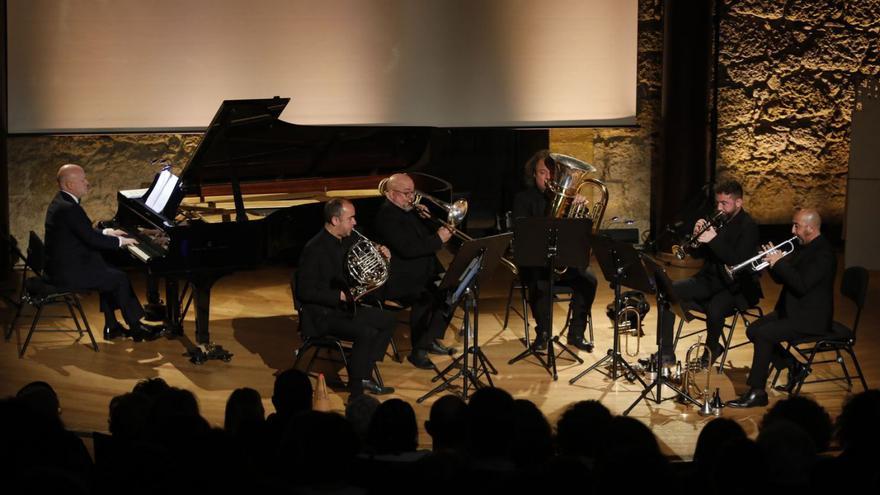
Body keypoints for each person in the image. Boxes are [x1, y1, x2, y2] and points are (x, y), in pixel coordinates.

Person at [727, 208, 836, 408]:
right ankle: (794, 366)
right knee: (753, 329)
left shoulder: (824, 254)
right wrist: (771, 262)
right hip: (792, 310)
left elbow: (802, 285)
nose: (792, 230)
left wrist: (780, 263)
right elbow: (783, 279)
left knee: (764, 335)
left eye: (797, 225)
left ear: (810, 228)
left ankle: (757, 391)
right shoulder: (803, 246)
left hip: (811, 317)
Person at [44, 163, 164, 341]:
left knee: (108, 270)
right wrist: (121, 241)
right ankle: (137, 328)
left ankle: (112, 326)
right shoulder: (69, 208)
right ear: (69, 185)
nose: (87, 182)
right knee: (119, 278)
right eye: (83, 180)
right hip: (68, 274)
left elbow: (84, 232)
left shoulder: (62, 201)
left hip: (64, 265)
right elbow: (91, 239)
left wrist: (108, 232)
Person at [652, 180, 762, 366]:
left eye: (724, 203)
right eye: (717, 202)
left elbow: (738, 261)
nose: (719, 207)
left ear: (738, 203)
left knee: (715, 308)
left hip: (736, 286)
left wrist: (714, 239)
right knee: (668, 291)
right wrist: (696, 239)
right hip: (710, 280)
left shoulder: (748, 226)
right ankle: (666, 353)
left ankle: (711, 351)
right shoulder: (719, 219)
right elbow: (699, 253)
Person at [294, 198, 396, 397]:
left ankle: (363, 372)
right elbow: (304, 292)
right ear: (335, 220)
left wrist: (382, 255)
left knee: (389, 320)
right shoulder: (314, 249)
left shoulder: (347, 240)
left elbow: (361, 269)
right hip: (321, 315)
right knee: (365, 332)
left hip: (343, 310)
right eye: (350, 218)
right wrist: (338, 295)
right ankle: (356, 391)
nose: (355, 223)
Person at [512, 150, 598, 351]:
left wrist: (581, 211)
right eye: (543, 172)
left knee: (589, 280)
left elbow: (582, 238)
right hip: (536, 262)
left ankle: (576, 333)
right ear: (534, 175)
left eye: (552, 173)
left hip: (564, 261)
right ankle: (543, 332)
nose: (548, 177)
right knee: (539, 281)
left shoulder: (569, 199)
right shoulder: (523, 199)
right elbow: (522, 234)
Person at [374, 173, 456, 370]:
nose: (411, 198)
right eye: (406, 193)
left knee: (453, 290)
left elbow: (422, 238)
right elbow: (409, 249)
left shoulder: (406, 209)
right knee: (427, 296)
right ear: (391, 194)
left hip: (422, 269)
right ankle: (418, 352)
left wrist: (429, 220)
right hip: (399, 278)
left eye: (413, 193)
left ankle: (429, 339)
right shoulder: (386, 216)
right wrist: (438, 239)